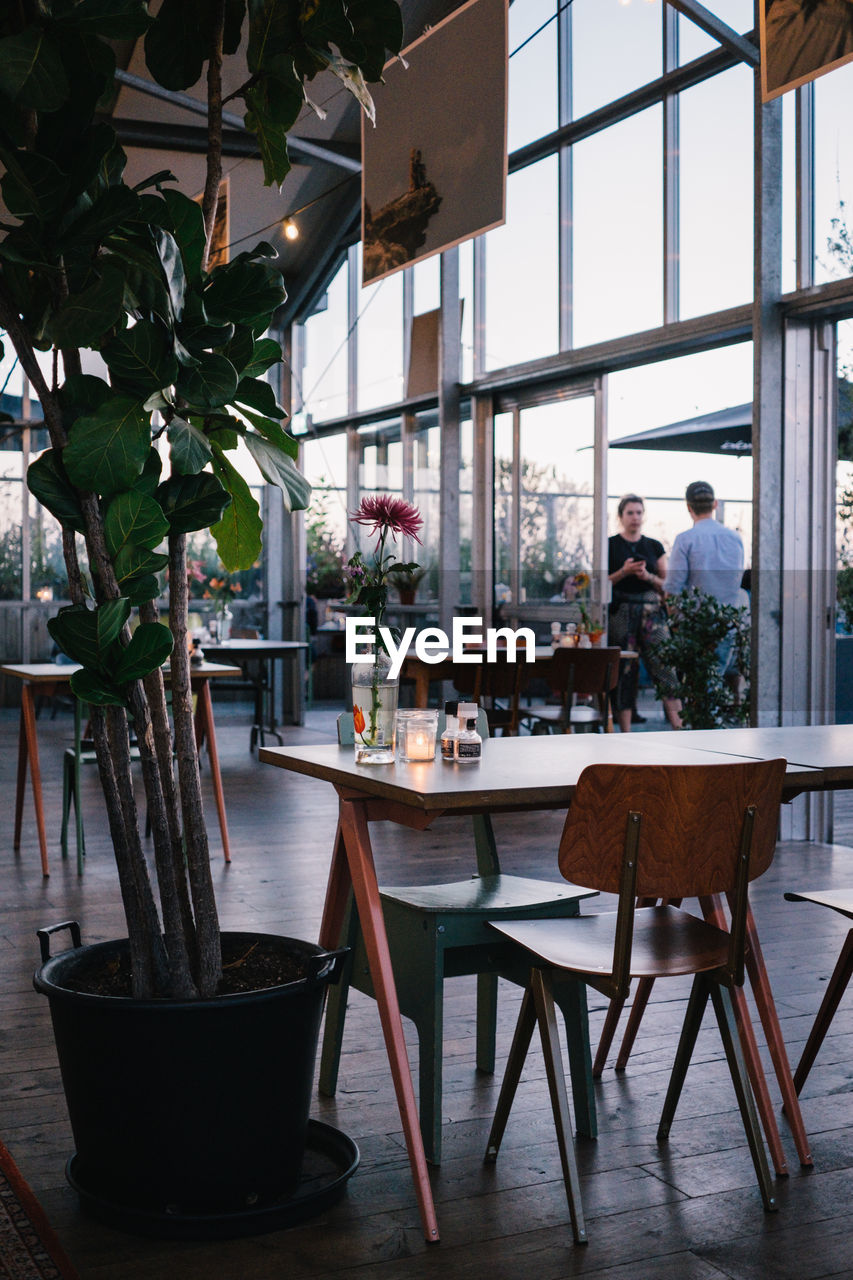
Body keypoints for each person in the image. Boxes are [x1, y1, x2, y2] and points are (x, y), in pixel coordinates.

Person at [608, 494, 682, 732]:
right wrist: (624, 572)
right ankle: (625, 734)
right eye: (630, 512)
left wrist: (647, 576)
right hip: (621, 613)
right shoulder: (610, 544)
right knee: (624, 672)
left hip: (652, 613)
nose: (635, 517)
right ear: (621, 516)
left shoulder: (653, 546)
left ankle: (679, 728)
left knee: (666, 668)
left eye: (639, 512)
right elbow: (600, 583)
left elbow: (667, 583)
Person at [666, 480, 746, 676]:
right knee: (715, 679)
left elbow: (674, 587)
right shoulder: (735, 538)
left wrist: (674, 620)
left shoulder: (685, 539)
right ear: (715, 504)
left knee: (697, 684)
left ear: (688, 507)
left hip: (695, 622)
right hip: (728, 621)